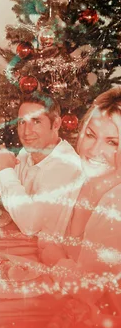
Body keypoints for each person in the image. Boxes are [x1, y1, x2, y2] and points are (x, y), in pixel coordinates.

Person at [40, 87, 121, 279]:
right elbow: (45, 235)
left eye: (112, 142)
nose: (94, 151)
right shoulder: (78, 180)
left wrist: (56, 260)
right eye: (91, 135)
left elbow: (96, 291)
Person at [0, 95, 82, 238]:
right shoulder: (26, 153)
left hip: (49, 253)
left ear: (56, 124)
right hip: (21, 241)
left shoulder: (65, 165)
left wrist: (5, 171)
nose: (27, 132)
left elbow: (30, 226)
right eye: (22, 122)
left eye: (36, 121)